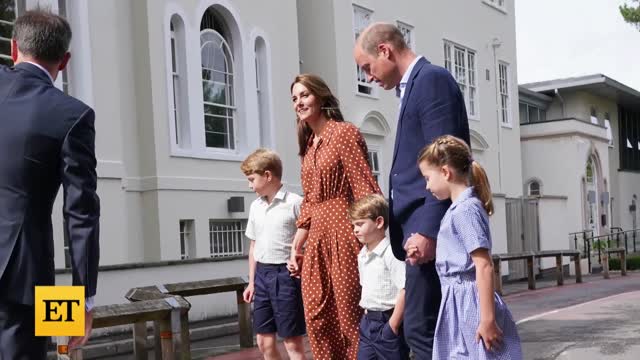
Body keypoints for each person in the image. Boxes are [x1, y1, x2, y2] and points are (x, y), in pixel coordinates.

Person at [353, 22, 470, 358]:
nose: (369, 76)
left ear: (385, 50)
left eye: (367, 67)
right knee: (417, 329)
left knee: (423, 330)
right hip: (412, 230)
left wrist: (429, 231)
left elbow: (444, 159)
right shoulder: (409, 89)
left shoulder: (431, 80)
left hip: (426, 228)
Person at [0, 10, 100, 359]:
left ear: (14, 48)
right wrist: (81, 304)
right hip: (24, 279)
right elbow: (80, 215)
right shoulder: (73, 115)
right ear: (66, 61)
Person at [287, 74, 381, 359]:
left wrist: (373, 242)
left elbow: (364, 187)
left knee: (350, 318)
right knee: (317, 319)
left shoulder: (344, 133)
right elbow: (310, 203)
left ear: (320, 96)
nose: (299, 102)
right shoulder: (309, 146)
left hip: (344, 233)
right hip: (316, 239)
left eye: (304, 95)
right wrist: (296, 244)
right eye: (294, 98)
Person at [417, 135, 522, 359]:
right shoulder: (458, 209)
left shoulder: (466, 210)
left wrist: (487, 320)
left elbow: (483, 266)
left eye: (427, 178)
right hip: (457, 304)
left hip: (469, 305)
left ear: (445, 172)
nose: (426, 186)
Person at [240, 148, 306, 360]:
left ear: (267, 175)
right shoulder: (255, 207)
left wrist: (300, 259)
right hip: (262, 276)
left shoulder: (295, 202)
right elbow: (253, 246)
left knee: (292, 342)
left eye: (252, 179)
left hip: (286, 277)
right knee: (264, 342)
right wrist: (251, 282)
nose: (249, 185)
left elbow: (310, 238)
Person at [349, 194, 409, 360]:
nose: (355, 229)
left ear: (379, 222)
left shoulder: (391, 254)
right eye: (353, 225)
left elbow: (405, 288)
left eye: (360, 224)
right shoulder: (362, 254)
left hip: (387, 321)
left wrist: (393, 325)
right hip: (367, 322)